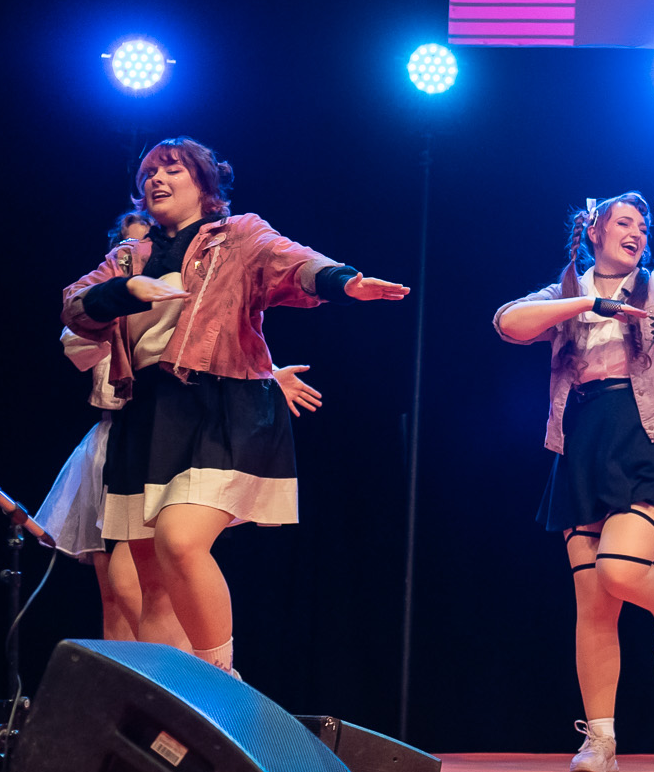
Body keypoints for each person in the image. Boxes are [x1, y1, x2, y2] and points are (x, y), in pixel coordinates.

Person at [60, 138, 408, 678]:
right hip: (145, 414)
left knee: (180, 541)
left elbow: (294, 264)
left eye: (172, 170)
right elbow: (76, 306)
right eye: (149, 173)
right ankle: (173, 707)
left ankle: (221, 682)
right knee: (151, 581)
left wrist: (345, 282)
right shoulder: (129, 258)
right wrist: (128, 289)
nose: (156, 180)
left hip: (219, 405)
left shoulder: (237, 235)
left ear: (204, 184)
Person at [495, 194, 654, 772]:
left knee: (620, 569)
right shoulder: (566, 292)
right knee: (593, 603)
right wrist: (589, 303)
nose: (637, 232)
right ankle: (601, 740)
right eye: (624, 222)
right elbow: (507, 322)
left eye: (642, 226)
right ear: (594, 230)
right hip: (585, 444)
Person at [38, 211, 323, 646]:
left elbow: (207, 339)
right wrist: (126, 294)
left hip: (178, 423)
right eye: (134, 245)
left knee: (163, 562)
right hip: (126, 434)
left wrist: (267, 374)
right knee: (120, 585)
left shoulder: (203, 269)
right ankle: (148, 682)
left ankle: (207, 672)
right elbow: (78, 337)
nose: (152, 250)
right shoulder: (119, 286)